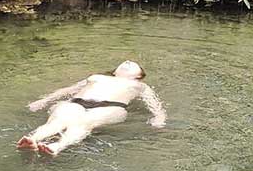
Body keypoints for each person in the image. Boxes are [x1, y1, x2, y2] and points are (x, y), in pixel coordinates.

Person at [17, 60, 166, 156]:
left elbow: (153, 102)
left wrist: (159, 117)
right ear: (115, 71)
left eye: (133, 64)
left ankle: (58, 146)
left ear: (139, 75)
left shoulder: (140, 85)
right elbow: (69, 90)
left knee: (85, 123)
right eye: (124, 62)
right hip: (77, 102)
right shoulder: (96, 77)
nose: (127, 62)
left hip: (112, 107)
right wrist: (44, 101)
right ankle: (32, 140)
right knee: (57, 121)